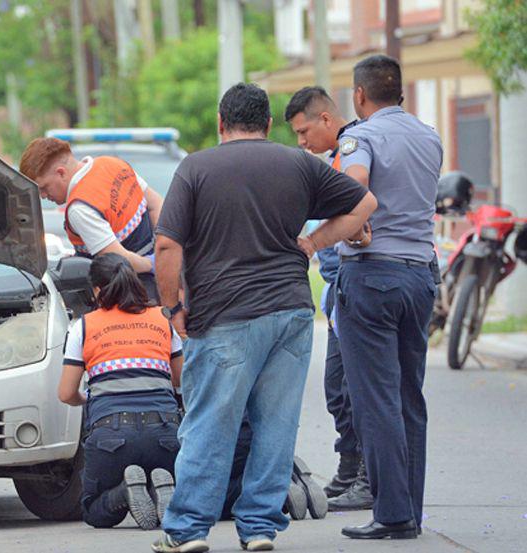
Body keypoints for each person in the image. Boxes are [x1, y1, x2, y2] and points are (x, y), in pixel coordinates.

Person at [151, 83, 377, 553]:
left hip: (223, 314)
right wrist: (313, 244)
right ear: (269, 124)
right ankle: (258, 528)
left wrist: (172, 306)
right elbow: (364, 204)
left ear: (220, 123)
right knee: (275, 424)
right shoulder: (298, 163)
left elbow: (168, 245)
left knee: (211, 421)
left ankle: (190, 529)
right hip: (290, 312)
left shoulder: (196, 167)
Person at [335, 55, 442, 540]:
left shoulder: (361, 136)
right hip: (419, 276)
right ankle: (409, 513)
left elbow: (354, 184)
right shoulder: (428, 135)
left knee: (374, 399)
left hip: (373, 275)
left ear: (359, 96)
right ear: (399, 91)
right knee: (408, 397)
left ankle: (391, 514)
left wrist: (341, 228)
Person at [284, 87, 373, 510]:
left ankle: (367, 477)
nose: (302, 142)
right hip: (338, 284)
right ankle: (349, 465)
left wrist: (318, 242)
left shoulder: (353, 151)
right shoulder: (332, 160)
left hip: (356, 279)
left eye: (304, 132)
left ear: (325, 119)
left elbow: (361, 202)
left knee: (355, 387)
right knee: (337, 386)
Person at [58, 253, 183, 530]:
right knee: (165, 470)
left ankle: (125, 491)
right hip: (164, 433)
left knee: (93, 509)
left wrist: (89, 398)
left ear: (98, 290)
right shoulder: (162, 320)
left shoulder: (85, 326)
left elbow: (66, 393)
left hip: (111, 436)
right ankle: (160, 488)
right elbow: (180, 380)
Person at [19, 138, 164, 298]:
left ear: (61, 173)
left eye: (43, 188)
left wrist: (154, 263)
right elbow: (156, 204)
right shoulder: (112, 164)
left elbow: (118, 259)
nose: (43, 196)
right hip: (158, 280)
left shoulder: (80, 207)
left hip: (132, 292)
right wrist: (162, 251)